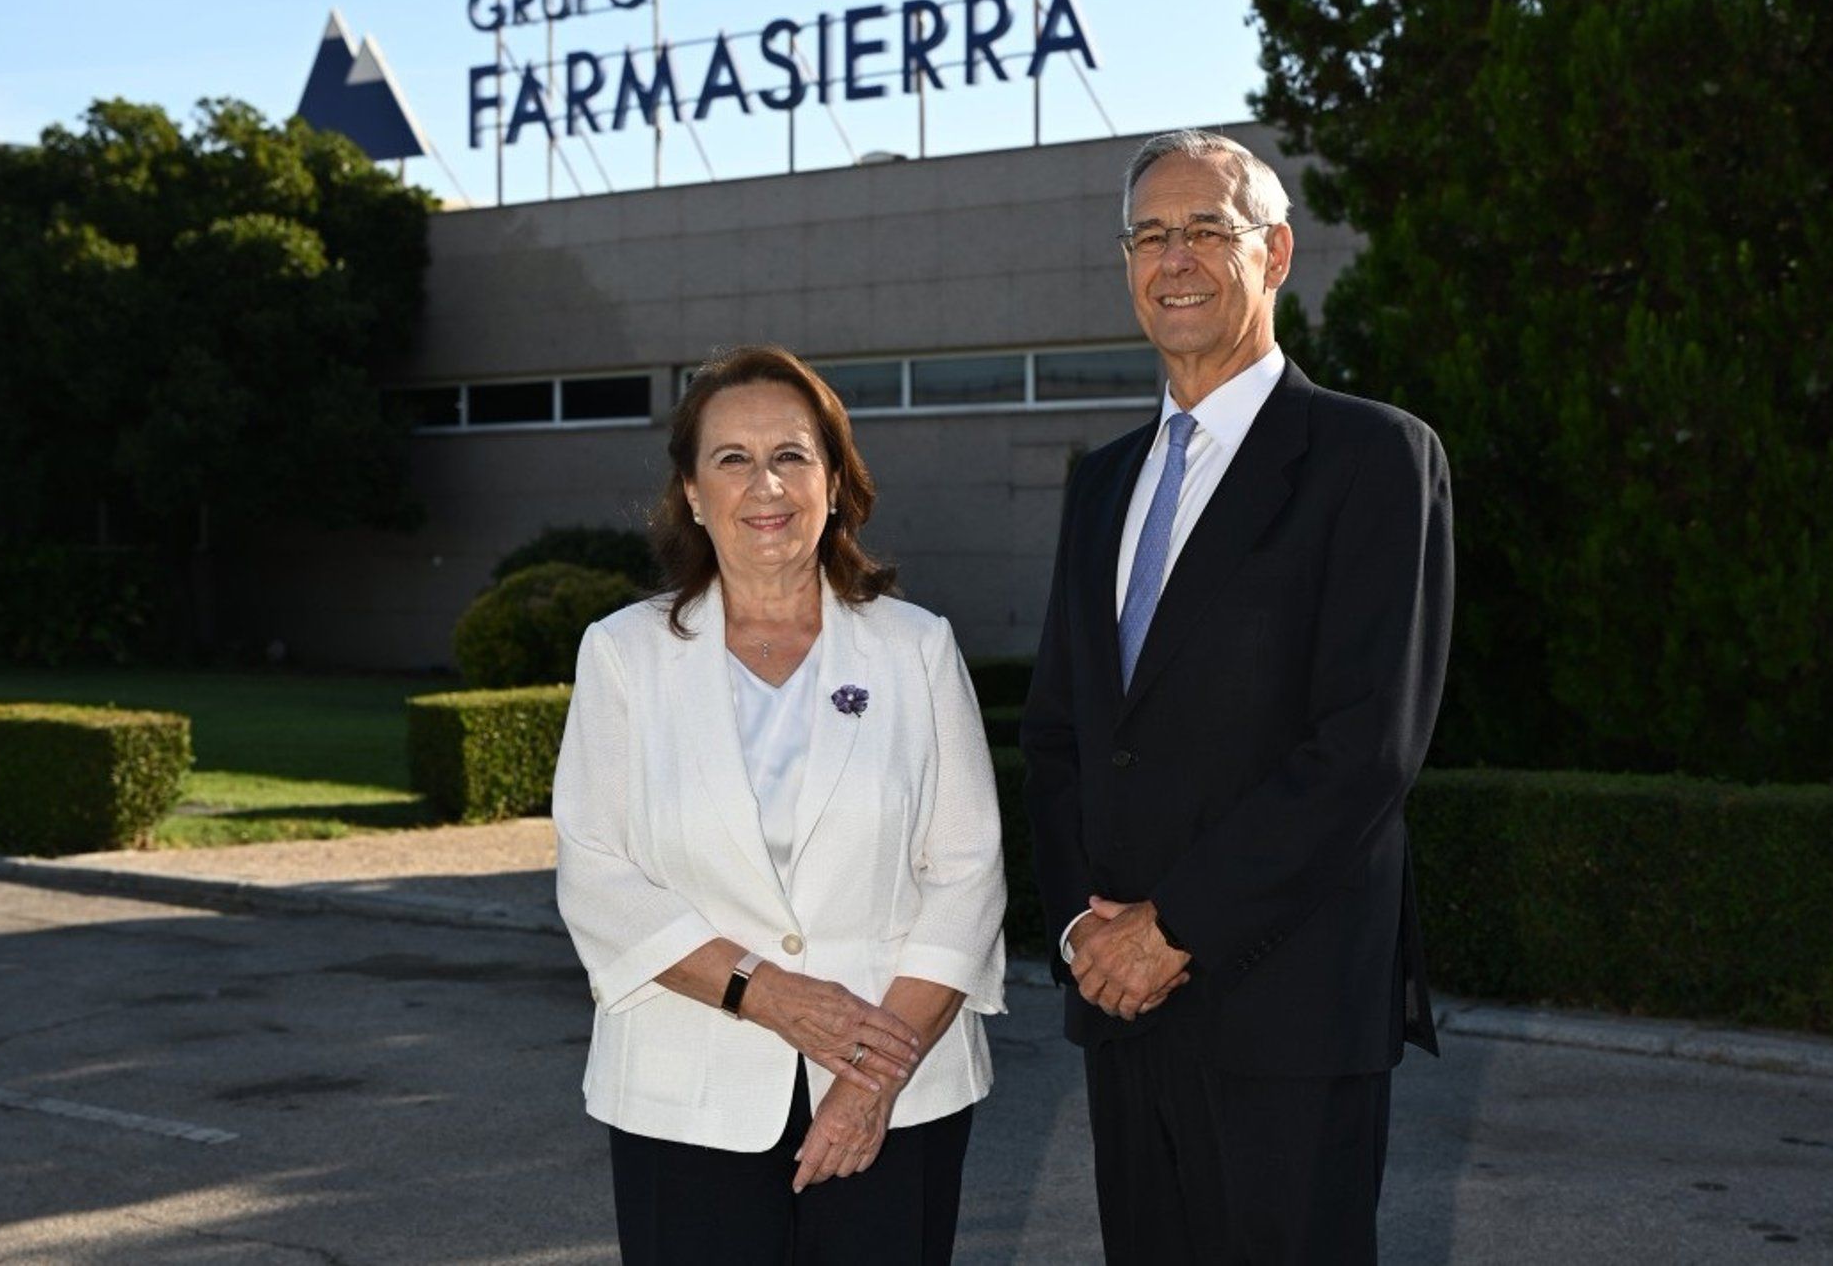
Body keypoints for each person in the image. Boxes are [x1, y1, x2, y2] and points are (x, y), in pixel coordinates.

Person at [1020, 129, 1454, 1265]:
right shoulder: (1102, 482)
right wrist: (1082, 931)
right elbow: (1060, 734)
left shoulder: (1374, 456)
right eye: (1149, 235)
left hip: (1287, 1007)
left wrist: (1174, 929)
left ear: (1276, 254)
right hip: (1121, 1004)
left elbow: (1366, 744)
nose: (1176, 258)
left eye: (1208, 229)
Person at [553, 343, 1006, 1266]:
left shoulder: (916, 647)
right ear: (691, 491)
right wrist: (766, 993)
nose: (766, 484)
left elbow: (967, 875)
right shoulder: (623, 654)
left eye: (792, 455)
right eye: (733, 458)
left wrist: (869, 1077)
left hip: (895, 1091)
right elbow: (597, 875)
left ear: (834, 481)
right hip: (685, 1099)